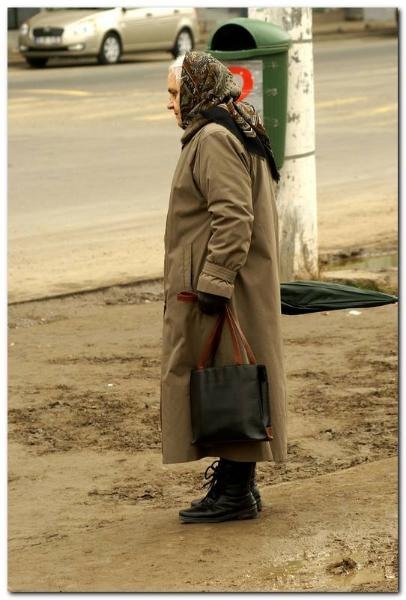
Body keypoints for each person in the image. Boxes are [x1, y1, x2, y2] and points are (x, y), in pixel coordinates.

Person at [161, 50, 287, 524]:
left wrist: (213, 282)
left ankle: (234, 493)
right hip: (236, 280)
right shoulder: (231, 124)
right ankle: (238, 487)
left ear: (195, 90)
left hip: (225, 285)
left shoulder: (214, 136)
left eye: (174, 93)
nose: (169, 103)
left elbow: (233, 217)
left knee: (230, 379)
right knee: (234, 377)